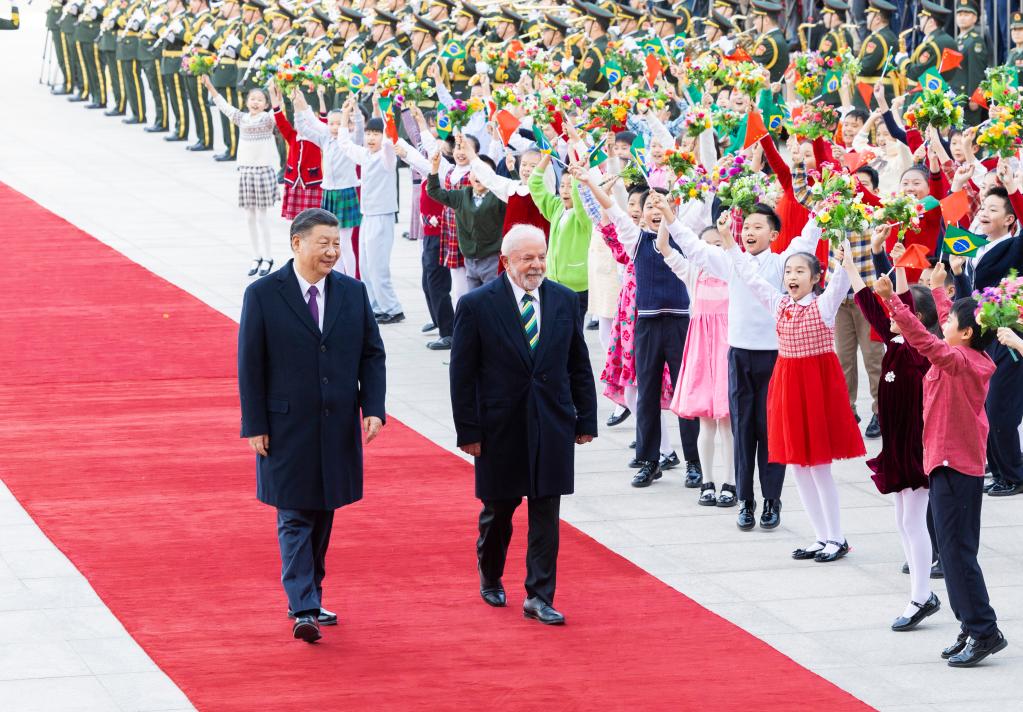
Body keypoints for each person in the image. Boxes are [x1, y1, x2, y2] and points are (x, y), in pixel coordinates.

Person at [237, 208, 386, 643]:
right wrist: (254, 423)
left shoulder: (353, 292)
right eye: (323, 243)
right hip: (286, 427)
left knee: (323, 511)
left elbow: (371, 353)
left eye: (336, 244)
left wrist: (373, 407)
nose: (332, 251)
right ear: (296, 243)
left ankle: (310, 594)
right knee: (294, 513)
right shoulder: (264, 294)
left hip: (336, 425)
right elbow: (250, 363)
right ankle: (303, 606)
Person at [449, 224, 598, 626]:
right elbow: (462, 374)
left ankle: (539, 595)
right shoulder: (477, 305)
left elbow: (578, 364)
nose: (536, 265)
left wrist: (585, 418)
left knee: (546, 510)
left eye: (541, 257)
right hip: (500, 427)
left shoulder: (565, 300)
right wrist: (469, 431)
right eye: (527, 258)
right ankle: (490, 571)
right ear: (505, 261)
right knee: (500, 509)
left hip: (552, 422)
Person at [879, 264, 1007, 668]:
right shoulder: (966, 352)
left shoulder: (962, 361)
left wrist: (893, 302)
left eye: (949, 321)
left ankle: (984, 631)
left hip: (956, 469)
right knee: (951, 555)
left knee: (957, 554)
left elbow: (925, 341)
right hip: (944, 465)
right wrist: (937, 290)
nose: (943, 323)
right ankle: (970, 625)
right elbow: (946, 329)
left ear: (965, 333)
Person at [727, 232, 865, 562]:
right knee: (799, 467)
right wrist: (730, 244)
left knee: (819, 467)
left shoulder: (824, 305)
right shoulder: (779, 304)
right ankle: (820, 537)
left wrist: (844, 240)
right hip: (788, 388)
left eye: (800, 271)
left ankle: (837, 538)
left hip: (816, 391)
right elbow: (750, 277)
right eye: (788, 271)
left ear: (815, 278)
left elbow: (841, 279)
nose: (792, 276)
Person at [846, 237, 941, 629]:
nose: (891, 312)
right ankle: (921, 593)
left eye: (900, 310)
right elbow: (870, 305)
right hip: (896, 445)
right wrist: (850, 266)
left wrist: (900, 270)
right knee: (903, 521)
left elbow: (899, 303)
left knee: (913, 522)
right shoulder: (895, 340)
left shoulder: (923, 351)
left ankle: (921, 596)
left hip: (916, 448)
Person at [659, 221, 736, 507]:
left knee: (726, 423)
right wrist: (666, 216)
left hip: (728, 350)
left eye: (719, 244)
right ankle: (708, 482)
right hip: (702, 353)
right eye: (707, 246)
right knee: (706, 422)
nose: (713, 250)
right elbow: (664, 247)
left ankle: (730, 482)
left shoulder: (735, 271)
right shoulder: (693, 272)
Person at [336, 95, 405, 324]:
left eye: (376, 134)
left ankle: (392, 308)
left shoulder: (387, 157)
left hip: (382, 216)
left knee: (378, 266)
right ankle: (376, 307)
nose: (371, 138)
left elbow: (389, 142)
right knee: (365, 266)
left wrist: (381, 110)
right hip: (367, 215)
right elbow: (344, 144)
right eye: (368, 134)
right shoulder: (365, 155)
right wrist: (345, 115)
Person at [202, 74, 278, 276]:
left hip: (263, 171)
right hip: (246, 171)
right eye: (252, 99)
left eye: (260, 100)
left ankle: (268, 257)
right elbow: (224, 106)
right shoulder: (242, 119)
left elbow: (279, 109)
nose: (255, 102)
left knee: (262, 217)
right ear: (246, 102)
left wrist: (275, 90)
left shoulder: (267, 119)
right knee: (249, 217)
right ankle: (256, 256)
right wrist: (210, 86)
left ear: (266, 104)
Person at [294, 85, 361, 276]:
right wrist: (298, 106)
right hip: (329, 192)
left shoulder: (351, 139)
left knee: (344, 242)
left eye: (338, 123)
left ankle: (351, 279)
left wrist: (354, 109)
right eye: (331, 123)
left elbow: (359, 128)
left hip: (345, 191)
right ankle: (336, 277)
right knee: (331, 241)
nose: (334, 127)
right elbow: (306, 126)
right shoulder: (325, 139)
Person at [425, 151, 506, 289]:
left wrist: (512, 171)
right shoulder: (462, 195)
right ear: (469, 174)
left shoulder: (499, 196)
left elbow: (518, 195)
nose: (479, 176)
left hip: (492, 259)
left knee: (492, 297)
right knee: (472, 298)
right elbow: (433, 191)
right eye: (476, 171)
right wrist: (435, 168)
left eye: (485, 172)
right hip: (470, 261)